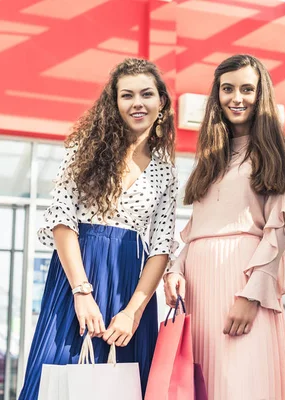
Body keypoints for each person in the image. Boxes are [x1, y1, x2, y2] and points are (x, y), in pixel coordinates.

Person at [18, 58, 178, 399]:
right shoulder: (82, 152)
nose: (137, 103)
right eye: (127, 95)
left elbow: (162, 246)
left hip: (130, 286)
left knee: (125, 383)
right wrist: (81, 293)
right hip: (77, 277)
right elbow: (62, 219)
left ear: (161, 102)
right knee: (58, 377)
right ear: (114, 102)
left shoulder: (167, 173)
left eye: (147, 94)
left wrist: (133, 313)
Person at [164, 54, 285, 400]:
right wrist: (175, 268)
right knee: (203, 385)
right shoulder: (210, 156)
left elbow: (279, 228)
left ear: (262, 95)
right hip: (197, 288)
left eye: (247, 89)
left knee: (242, 384)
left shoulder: (278, 149)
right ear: (217, 95)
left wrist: (251, 294)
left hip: (242, 282)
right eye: (227, 89)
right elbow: (196, 229)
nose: (236, 98)